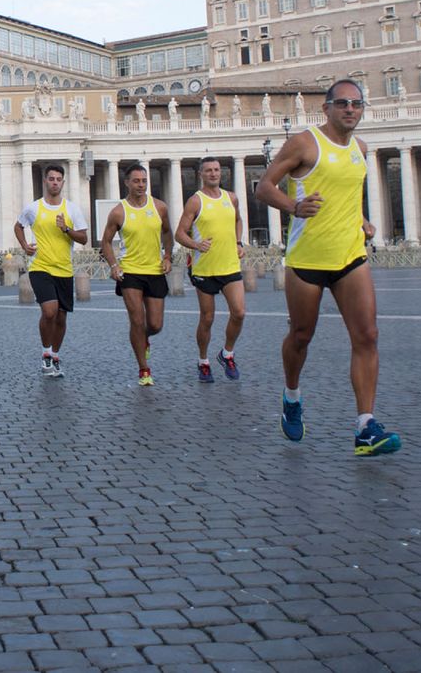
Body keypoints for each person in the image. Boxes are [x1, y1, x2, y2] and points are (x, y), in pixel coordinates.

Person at [257, 79, 400, 456]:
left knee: (367, 335)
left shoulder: (360, 148)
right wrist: (293, 208)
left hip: (350, 256)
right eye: (343, 104)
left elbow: (349, 195)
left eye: (357, 104)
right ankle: (291, 393)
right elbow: (264, 186)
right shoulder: (304, 143)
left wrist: (363, 220)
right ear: (327, 108)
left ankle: (365, 425)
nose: (350, 110)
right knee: (301, 336)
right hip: (307, 259)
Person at [175, 156, 247, 383]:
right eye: (208, 171)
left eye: (216, 170)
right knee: (207, 318)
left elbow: (238, 220)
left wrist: (238, 242)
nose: (214, 174)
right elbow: (180, 233)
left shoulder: (231, 198)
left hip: (230, 265)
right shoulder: (195, 201)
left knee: (239, 312)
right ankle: (203, 360)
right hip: (205, 269)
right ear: (201, 175)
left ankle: (227, 353)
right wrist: (196, 245)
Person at [98, 164, 171, 386]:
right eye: (136, 181)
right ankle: (144, 369)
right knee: (137, 320)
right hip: (130, 272)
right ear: (127, 183)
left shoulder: (159, 207)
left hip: (155, 270)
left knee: (155, 324)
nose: (141, 185)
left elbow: (167, 232)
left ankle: (143, 339)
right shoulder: (119, 211)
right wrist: (113, 265)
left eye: (144, 181)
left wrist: (168, 256)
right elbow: (106, 241)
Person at [14, 164, 88, 378]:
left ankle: (55, 355)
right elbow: (18, 226)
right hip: (40, 267)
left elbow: (83, 237)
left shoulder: (72, 209)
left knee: (62, 317)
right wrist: (25, 246)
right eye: (51, 179)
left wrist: (66, 229)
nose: (55, 182)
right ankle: (46, 352)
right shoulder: (33, 208)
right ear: (45, 181)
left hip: (64, 268)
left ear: (63, 183)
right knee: (49, 311)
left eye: (58, 179)